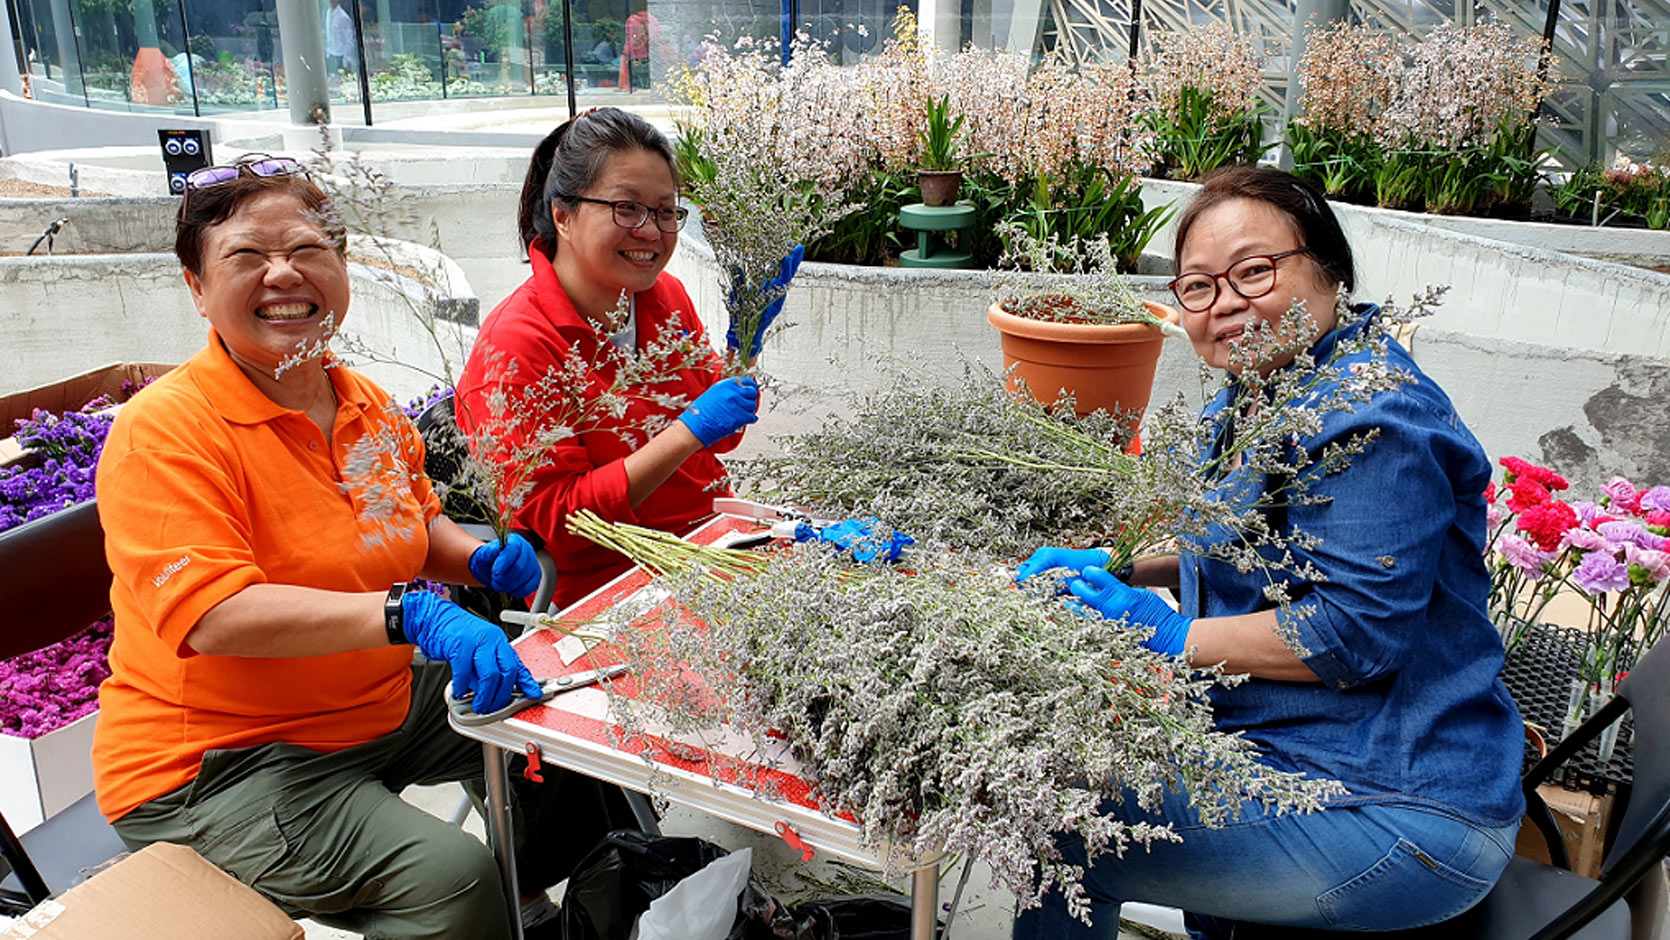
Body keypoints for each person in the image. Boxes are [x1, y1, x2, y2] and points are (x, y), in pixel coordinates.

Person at [1012, 166, 1525, 938]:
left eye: (1254, 271)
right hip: (1300, 763)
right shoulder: (1261, 390)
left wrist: (1170, 635)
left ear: (1329, 271)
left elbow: (1353, 634)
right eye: (1197, 286)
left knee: (1065, 832)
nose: (1225, 304)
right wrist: (1126, 568)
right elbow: (1250, 546)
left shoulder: (1370, 419)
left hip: (1397, 809)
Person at [93, 155, 572, 940]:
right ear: (195, 286)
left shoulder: (359, 403)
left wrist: (474, 560)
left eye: (307, 250)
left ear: (341, 267)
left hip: (366, 708)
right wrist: (409, 617)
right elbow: (215, 615)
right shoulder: (166, 432)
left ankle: (534, 909)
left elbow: (404, 531)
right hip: (221, 762)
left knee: (552, 743)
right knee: (448, 883)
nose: (283, 274)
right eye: (247, 256)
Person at [455, 107, 798, 610]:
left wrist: (742, 348)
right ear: (563, 215)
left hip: (712, 545)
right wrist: (687, 430)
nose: (652, 231)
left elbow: (724, 435)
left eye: (665, 211)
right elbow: (565, 525)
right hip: (608, 589)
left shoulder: (663, 297)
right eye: (627, 209)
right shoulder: (517, 344)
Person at [325, 0, 357, 76]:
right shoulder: (328, 13)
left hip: (340, 57)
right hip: (330, 54)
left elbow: (349, 41)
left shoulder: (343, 17)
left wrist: (345, 61)